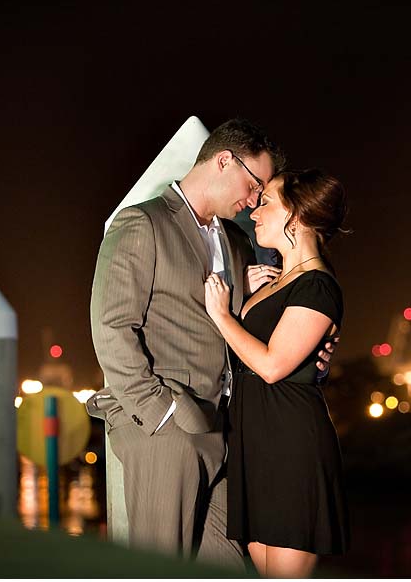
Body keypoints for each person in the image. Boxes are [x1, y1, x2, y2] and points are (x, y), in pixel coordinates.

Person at [87, 119, 335, 570]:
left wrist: (311, 354)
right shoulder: (144, 223)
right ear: (224, 160)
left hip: (230, 432)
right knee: (163, 570)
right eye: (254, 183)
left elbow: (262, 335)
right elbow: (111, 326)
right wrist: (158, 413)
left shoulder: (238, 241)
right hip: (168, 429)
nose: (255, 199)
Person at [204, 168, 350, 578]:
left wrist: (221, 314)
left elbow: (271, 366)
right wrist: (246, 299)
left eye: (266, 201)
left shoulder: (318, 286)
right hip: (255, 443)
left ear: (298, 216)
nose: (254, 212)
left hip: (291, 447)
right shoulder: (272, 282)